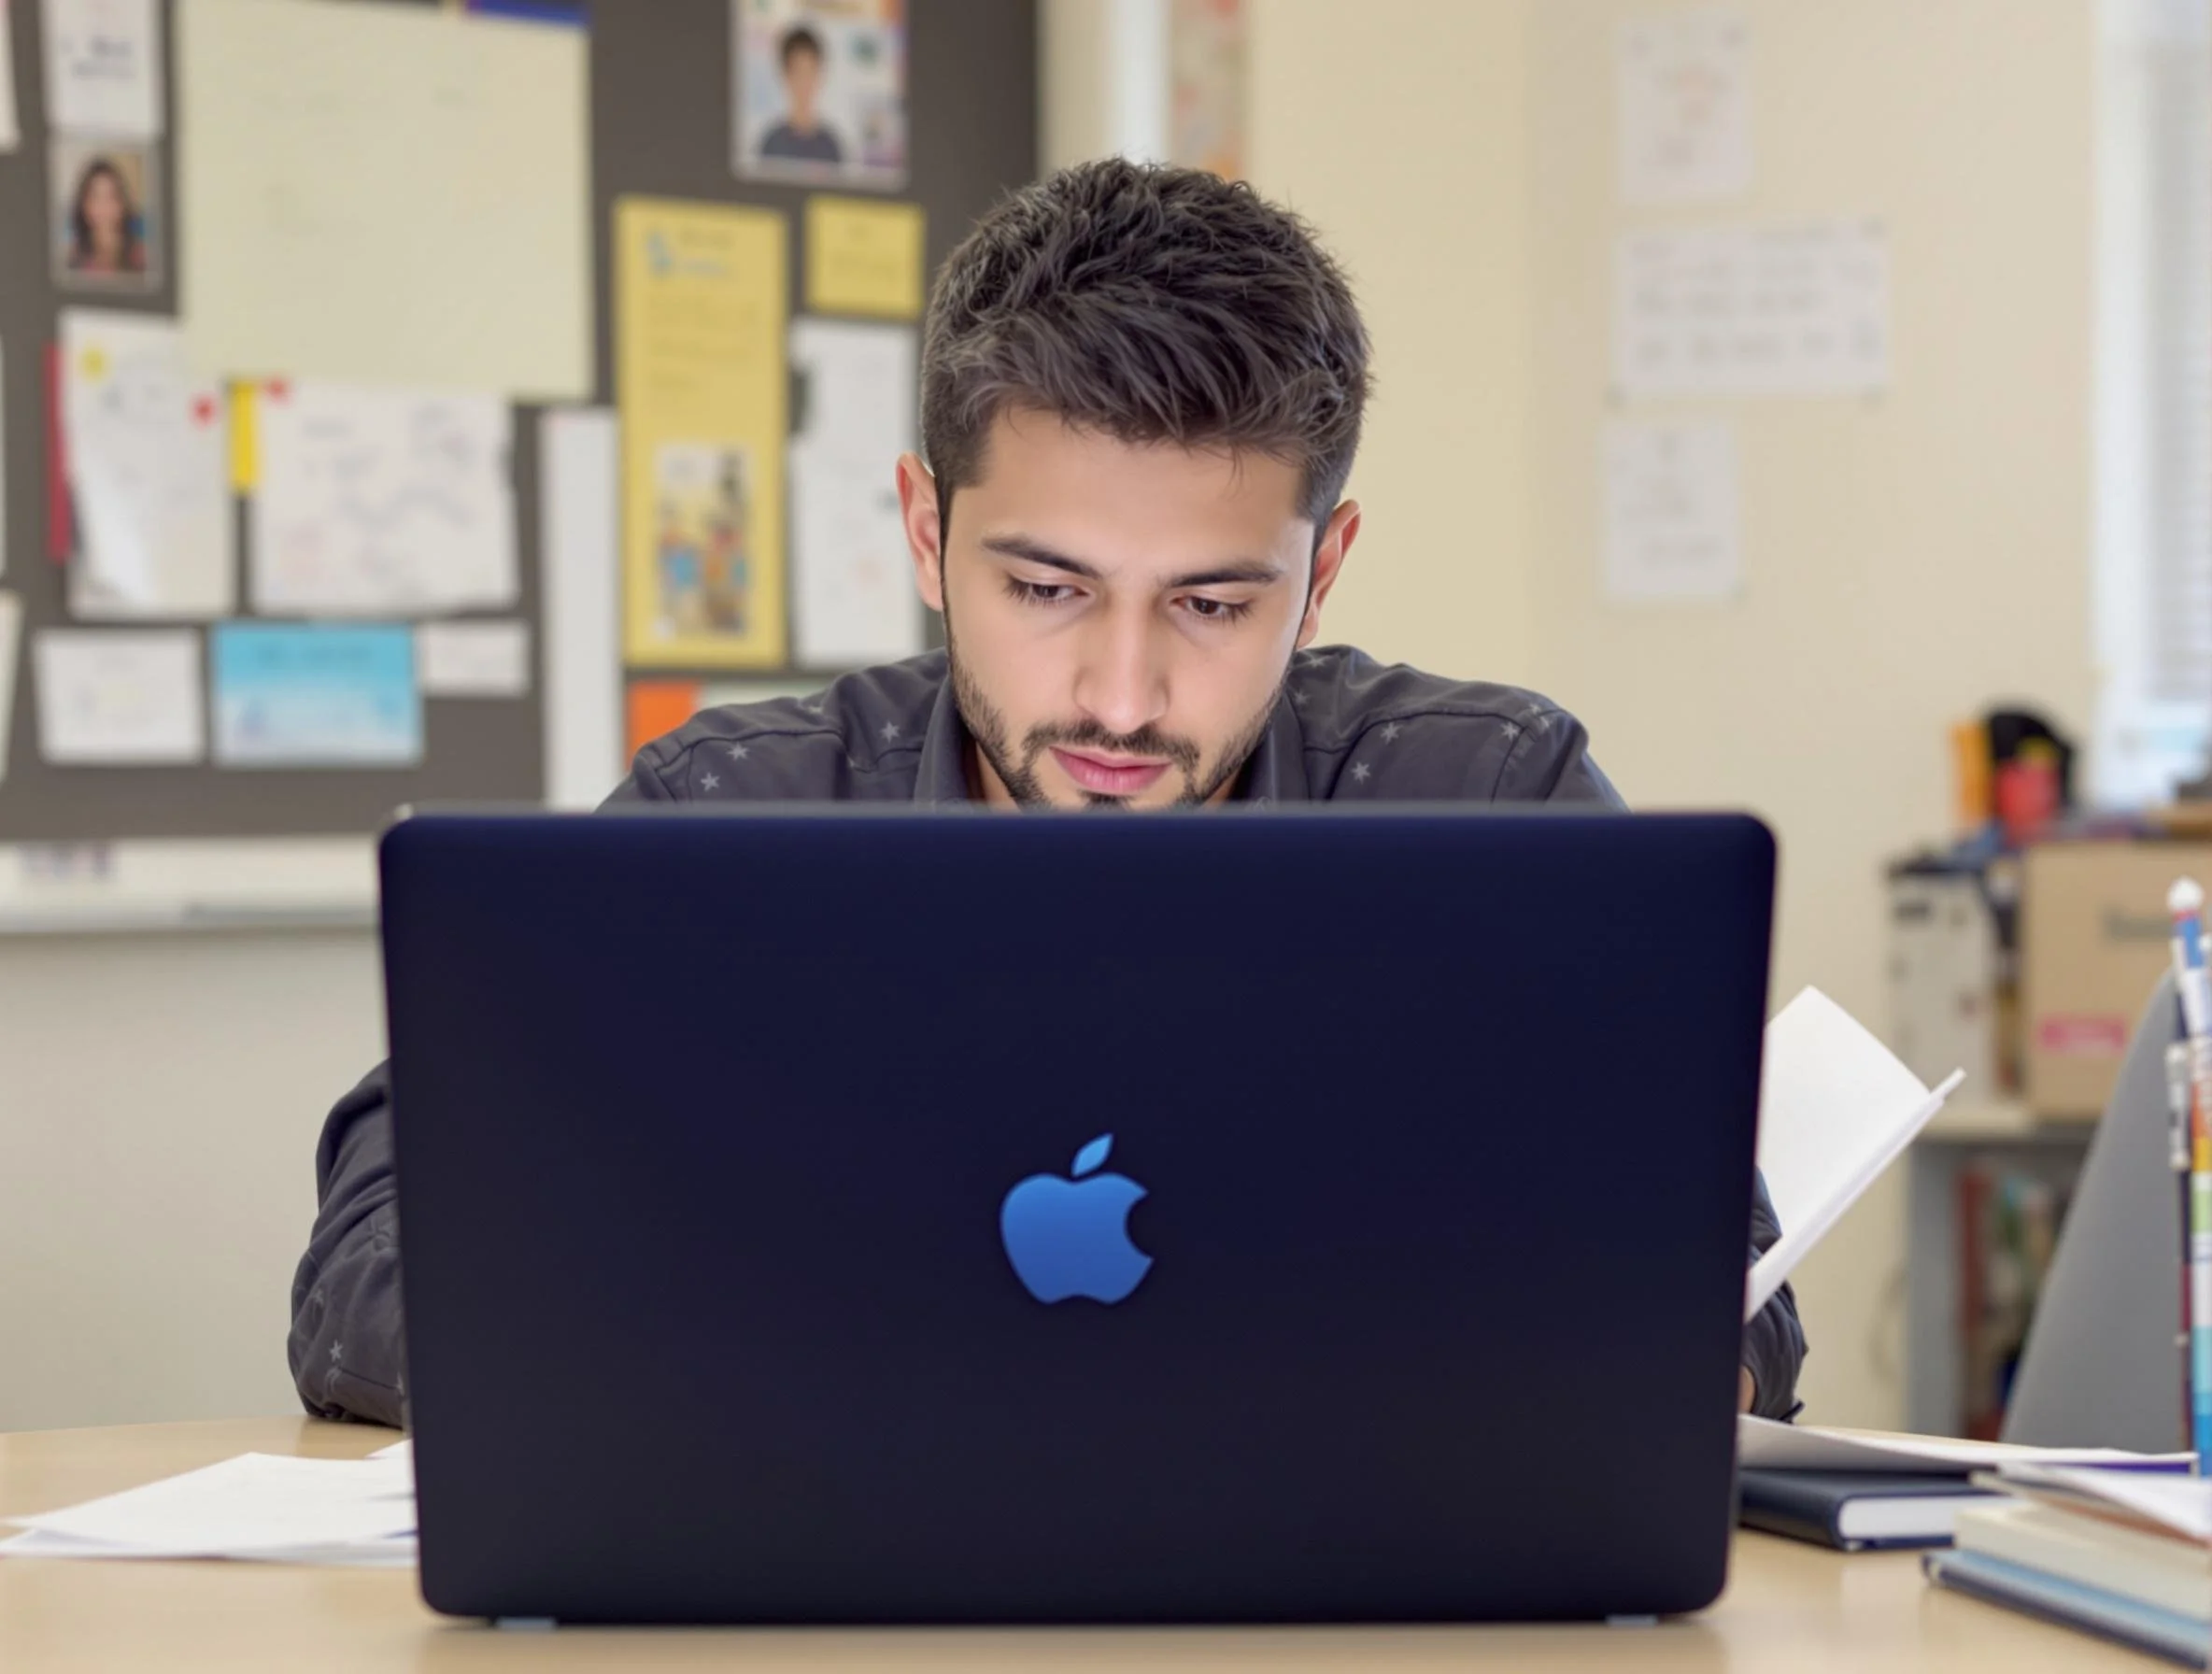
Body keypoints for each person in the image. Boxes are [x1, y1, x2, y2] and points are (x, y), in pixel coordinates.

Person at [290, 159, 1808, 1428]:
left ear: (1320, 569)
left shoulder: (1489, 801)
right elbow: (380, 1267)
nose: (1121, 695)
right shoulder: (734, 811)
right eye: (1045, 587)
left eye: (1211, 605)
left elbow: (1732, 1305)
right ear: (923, 526)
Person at [756, 24, 845, 167]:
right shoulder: (772, 144)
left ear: (820, 75)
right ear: (786, 76)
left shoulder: (832, 146)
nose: (805, 83)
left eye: (810, 72)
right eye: (798, 73)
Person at [65, 157, 147, 277]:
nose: (103, 207)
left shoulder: (141, 257)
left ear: (122, 204)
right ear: (84, 204)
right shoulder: (72, 260)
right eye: (96, 197)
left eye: (111, 197)